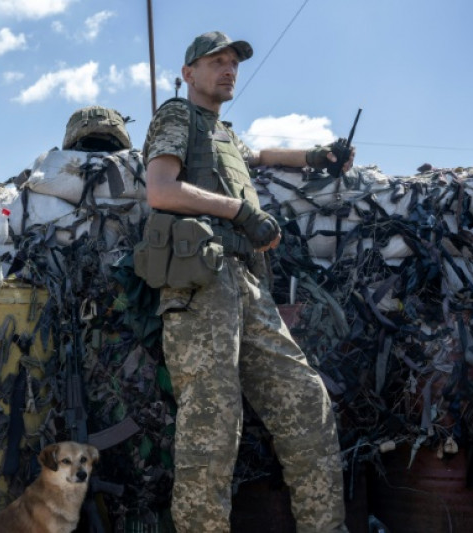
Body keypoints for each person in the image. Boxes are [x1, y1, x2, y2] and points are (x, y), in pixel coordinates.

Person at [140, 31, 354, 532]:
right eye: (216, 61)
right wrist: (240, 211)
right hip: (200, 281)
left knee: (306, 401)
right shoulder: (177, 116)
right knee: (213, 423)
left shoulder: (223, 133)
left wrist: (317, 156)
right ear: (189, 73)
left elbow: (258, 156)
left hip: (246, 281)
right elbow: (161, 190)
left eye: (234, 62)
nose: (229, 69)